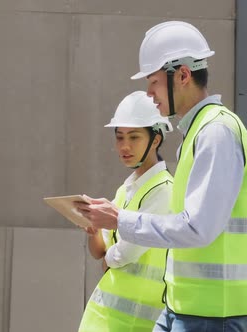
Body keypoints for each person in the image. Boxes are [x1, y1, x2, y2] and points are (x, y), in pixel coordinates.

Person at [76, 21, 247, 332]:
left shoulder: (216, 131)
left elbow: (197, 228)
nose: (149, 94)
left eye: (154, 82)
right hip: (186, 305)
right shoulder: (198, 131)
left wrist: (120, 220)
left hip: (214, 311)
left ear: (182, 75)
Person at [78, 91, 173, 332]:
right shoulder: (126, 189)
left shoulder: (164, 191)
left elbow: (125, 253)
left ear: (156, 140)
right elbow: (100, 253)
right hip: (104, 320)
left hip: (137, 323)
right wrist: (92, 231)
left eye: (134, 137)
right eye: (119, 137)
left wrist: (109, 258)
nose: (125, 146)